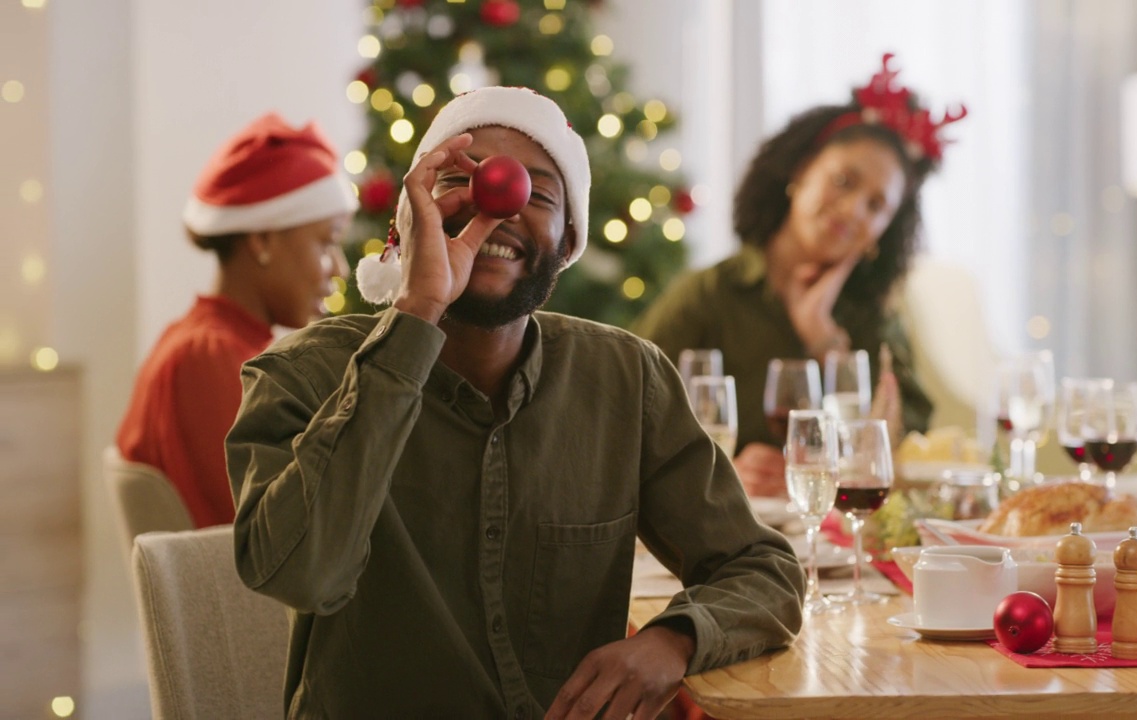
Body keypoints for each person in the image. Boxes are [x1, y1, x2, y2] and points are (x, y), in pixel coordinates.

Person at [225, 86, 804, 719]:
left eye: (537, 192)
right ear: (411, 215)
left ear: (568, 236)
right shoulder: (300, 376)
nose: (495, 204)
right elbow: (302, 573)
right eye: (458, 181)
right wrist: (418, 312)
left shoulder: (624, 379)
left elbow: (763, 568)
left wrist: (673, 640)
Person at [632, 54, 962, 496]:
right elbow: (626, 412)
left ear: (882, 232)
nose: (851, 211)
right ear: (802, 171)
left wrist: (826, 341)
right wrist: (721, 468)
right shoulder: (710, 294)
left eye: (876, 205)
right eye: (844, 181)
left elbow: (906, 444)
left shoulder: (873, 315)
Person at [116, 113, 355, 529]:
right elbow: (276, 535)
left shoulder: (212, 344)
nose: (340, 269)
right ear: (262, 240)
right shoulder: (211, 359)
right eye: (327, 241)